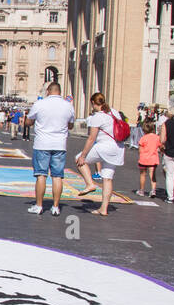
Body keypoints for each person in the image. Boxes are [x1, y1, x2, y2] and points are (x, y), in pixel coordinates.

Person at [25, 82, 74, 216]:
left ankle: (39, 205)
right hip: (60, 145)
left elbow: (28, 122)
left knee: (41, 175)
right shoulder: (68, 106)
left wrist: (33, 120)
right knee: (57, 176)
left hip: (42, 144)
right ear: (60, 91)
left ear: (48, 91)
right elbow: (70, 126)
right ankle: (56, 206)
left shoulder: (40, 104)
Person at [75, 91, 125, 216]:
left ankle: (90, 183)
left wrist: (83, 155)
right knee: (107, 178)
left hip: (104, 147)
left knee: (79, 159)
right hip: (118, 148)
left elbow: (91, 138)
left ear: (93, 103)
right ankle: (104, 208)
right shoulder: (114, 112)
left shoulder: (97, 116)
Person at [136, 117, 160, 197]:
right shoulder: (157, 137)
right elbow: (160, 146)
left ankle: (141, 190)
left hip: (143, 159)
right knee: (152, 175)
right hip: (153, 159)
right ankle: (153, 190)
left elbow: (140, 149)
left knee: (143, 175)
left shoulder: (143, 138)